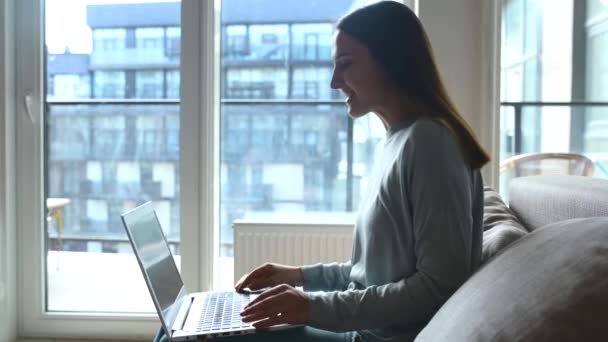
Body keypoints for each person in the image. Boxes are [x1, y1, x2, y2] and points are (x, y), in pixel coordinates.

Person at [156, 1, 489, 341]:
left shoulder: (430, 143)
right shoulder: (396, 141)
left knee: (180, 336)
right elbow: (371, 276)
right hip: (361, 330)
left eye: (344, 65)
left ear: (392, 62)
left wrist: (312, 307)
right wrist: (299, 276)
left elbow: (438, 286)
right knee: (181, 328)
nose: (334, 82)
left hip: (374, 338)